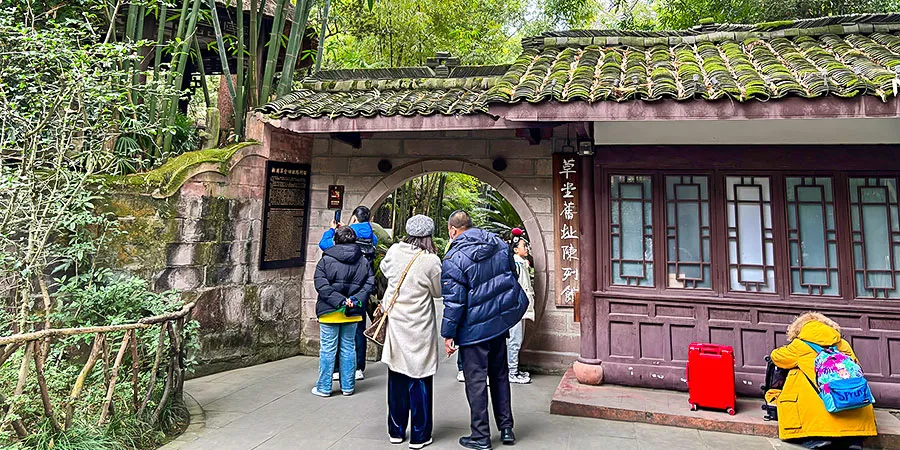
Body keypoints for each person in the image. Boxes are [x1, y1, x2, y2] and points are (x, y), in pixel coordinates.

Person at [441, 210, 529, 450]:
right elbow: (511, 276)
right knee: (500, 375)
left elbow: (454, 302)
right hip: (498, 325)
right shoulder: (499, 245)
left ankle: (480, 436)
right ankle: (506, 428)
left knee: (476, 381)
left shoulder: (453, 259)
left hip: (473, 331)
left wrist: (448, 334)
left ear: (453, 230)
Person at [770, 312, 877, 449]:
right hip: (852, 399)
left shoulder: (799, 345)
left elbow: (777, 357)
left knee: (799, 376)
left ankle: (817, 438)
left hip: (821, 414)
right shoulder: (842, 343)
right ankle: (853, 440)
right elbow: (857, 366)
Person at [380, 215, 442, 450]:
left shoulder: (395, 251)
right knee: (420, 378)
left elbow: (386, 271)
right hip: (420, 326)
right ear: (428, 235)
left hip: (396, 322)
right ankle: (419, 435)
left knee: (396, 376)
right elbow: (437, 292)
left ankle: (395, 431)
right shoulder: (431, 261)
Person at [312, 226, 374, 397]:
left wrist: (339, 301)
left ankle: (324, 387)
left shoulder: (325, 260)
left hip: (329, 311)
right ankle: (348, 386)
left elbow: (321, 285)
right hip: (352, 312)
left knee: (328, 350)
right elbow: (369, 284)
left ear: (335, 241)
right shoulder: (363, 261)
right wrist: (353, 301)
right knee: (348, 348)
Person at [320, 206, 378, 381]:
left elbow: (325, 244)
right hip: (359, 292)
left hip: (338, 293)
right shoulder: (371, 237)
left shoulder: (346, 236)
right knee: (358, 328)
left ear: (354, 218)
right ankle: (358, 368)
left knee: (335, 336)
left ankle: (336, 371)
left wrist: (333, 229)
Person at [507, 228, 535, 385]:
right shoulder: (516, 265)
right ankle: (512, 372)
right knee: (515, 340)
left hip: (521, 307)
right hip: (516, 308)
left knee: (518, 339)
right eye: (524, 246)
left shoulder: (521, 263)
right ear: (516, 249)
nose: (527, 248)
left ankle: (514, 369)